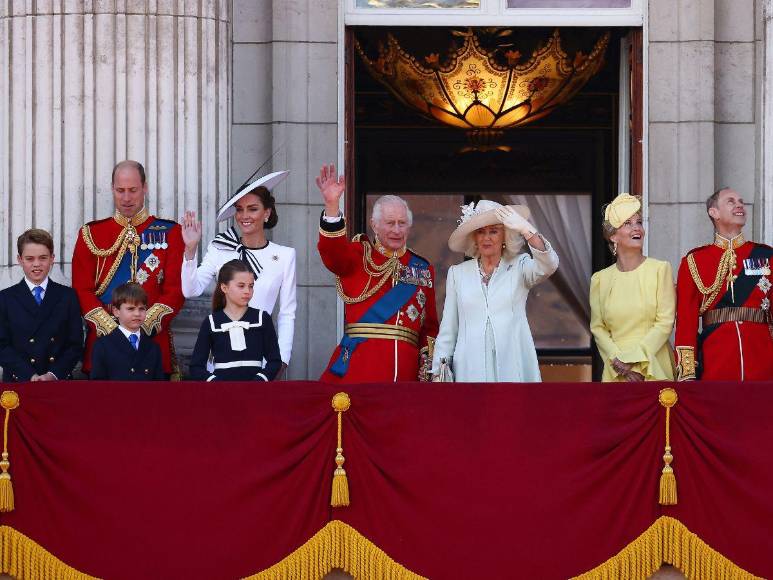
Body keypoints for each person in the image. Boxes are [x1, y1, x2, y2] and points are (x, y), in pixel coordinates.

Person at [316, 164, 439, 383]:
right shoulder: (358, 255)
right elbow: (332, 253)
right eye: (390, 223)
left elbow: (429, 327)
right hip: (360, 368)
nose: (397, 230)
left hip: (406, 372)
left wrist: (427, 365)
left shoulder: (422, 268)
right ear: (374, 224)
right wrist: (332, 205)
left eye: (402, 223)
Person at [71, 160, 185, 377]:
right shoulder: (91, 234)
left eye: (133, 190)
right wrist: (113, 330)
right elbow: (81, 289)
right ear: (112, 189)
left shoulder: (170, 232)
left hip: (152, 347)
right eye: (120, 190)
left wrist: (143, 325)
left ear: (145, 187)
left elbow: (175, 290)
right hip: (103, 346)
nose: (126, 198)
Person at [181, 170, 296, 377]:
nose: (244, 216)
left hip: (261, 359)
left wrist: (281, 361)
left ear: (267, 213)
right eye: (240, 209)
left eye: (252, 209)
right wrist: (190, 250)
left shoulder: (285, 255)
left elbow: (287, 313)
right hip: (220, 360)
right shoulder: (220, 247)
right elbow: (191, 290)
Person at [431, 200, 558, 382]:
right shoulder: (457, 274)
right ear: (474, 238)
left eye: (494, 231)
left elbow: (549, 264)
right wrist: (438, 371)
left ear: (505, 235)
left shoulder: (519, 266)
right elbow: (449, 329)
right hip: (469, 367)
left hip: (512, 364)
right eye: (480, 232)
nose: (486, 238)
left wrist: (526, 230)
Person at [674, 187, 773, 381]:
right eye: (731, 201)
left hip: (763, 362)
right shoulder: (694, 261)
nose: (739, 205)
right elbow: (686, 322)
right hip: (716, 364)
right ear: (714, 212)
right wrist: (687, 375)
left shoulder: (766, 256)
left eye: (741, 201)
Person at [589, 194, 676, 382]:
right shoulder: (600, 280)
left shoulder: (660, 269)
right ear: (613, 236)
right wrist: (620, 364)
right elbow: (598, 329)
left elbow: (665, 323)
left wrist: (633, 360)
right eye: (628, 223)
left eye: (639, 222)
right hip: (616, 370)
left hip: (653, 365)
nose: (637, 228)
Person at [0, 229, 83, 382]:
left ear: (52, 259)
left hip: (57, 381)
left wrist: (53, 374)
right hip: (19, 381)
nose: (37, 264)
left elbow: (75, 345)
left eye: (43, 258)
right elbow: (2, 346)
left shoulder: (68, 296)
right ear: (20, 260)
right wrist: (29, 375)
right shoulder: (5, 298)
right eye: (30, 259)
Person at [189, 260, 282, 382]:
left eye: (251, 286)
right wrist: (215, 382)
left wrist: (260, 380)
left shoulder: (262, 318)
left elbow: (275, 361)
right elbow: (196, 366)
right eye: (241, 286)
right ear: (224, 287)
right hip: (222, 394)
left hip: (256, 394)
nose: (247, 291)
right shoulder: (211, 322)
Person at [90, 283, 164, 380]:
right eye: (131, 309)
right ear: (116, 311)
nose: (137, 314)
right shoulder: (103, 345)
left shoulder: (153, 347)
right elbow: (98, 385)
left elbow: (158, 386)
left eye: (142, 309)